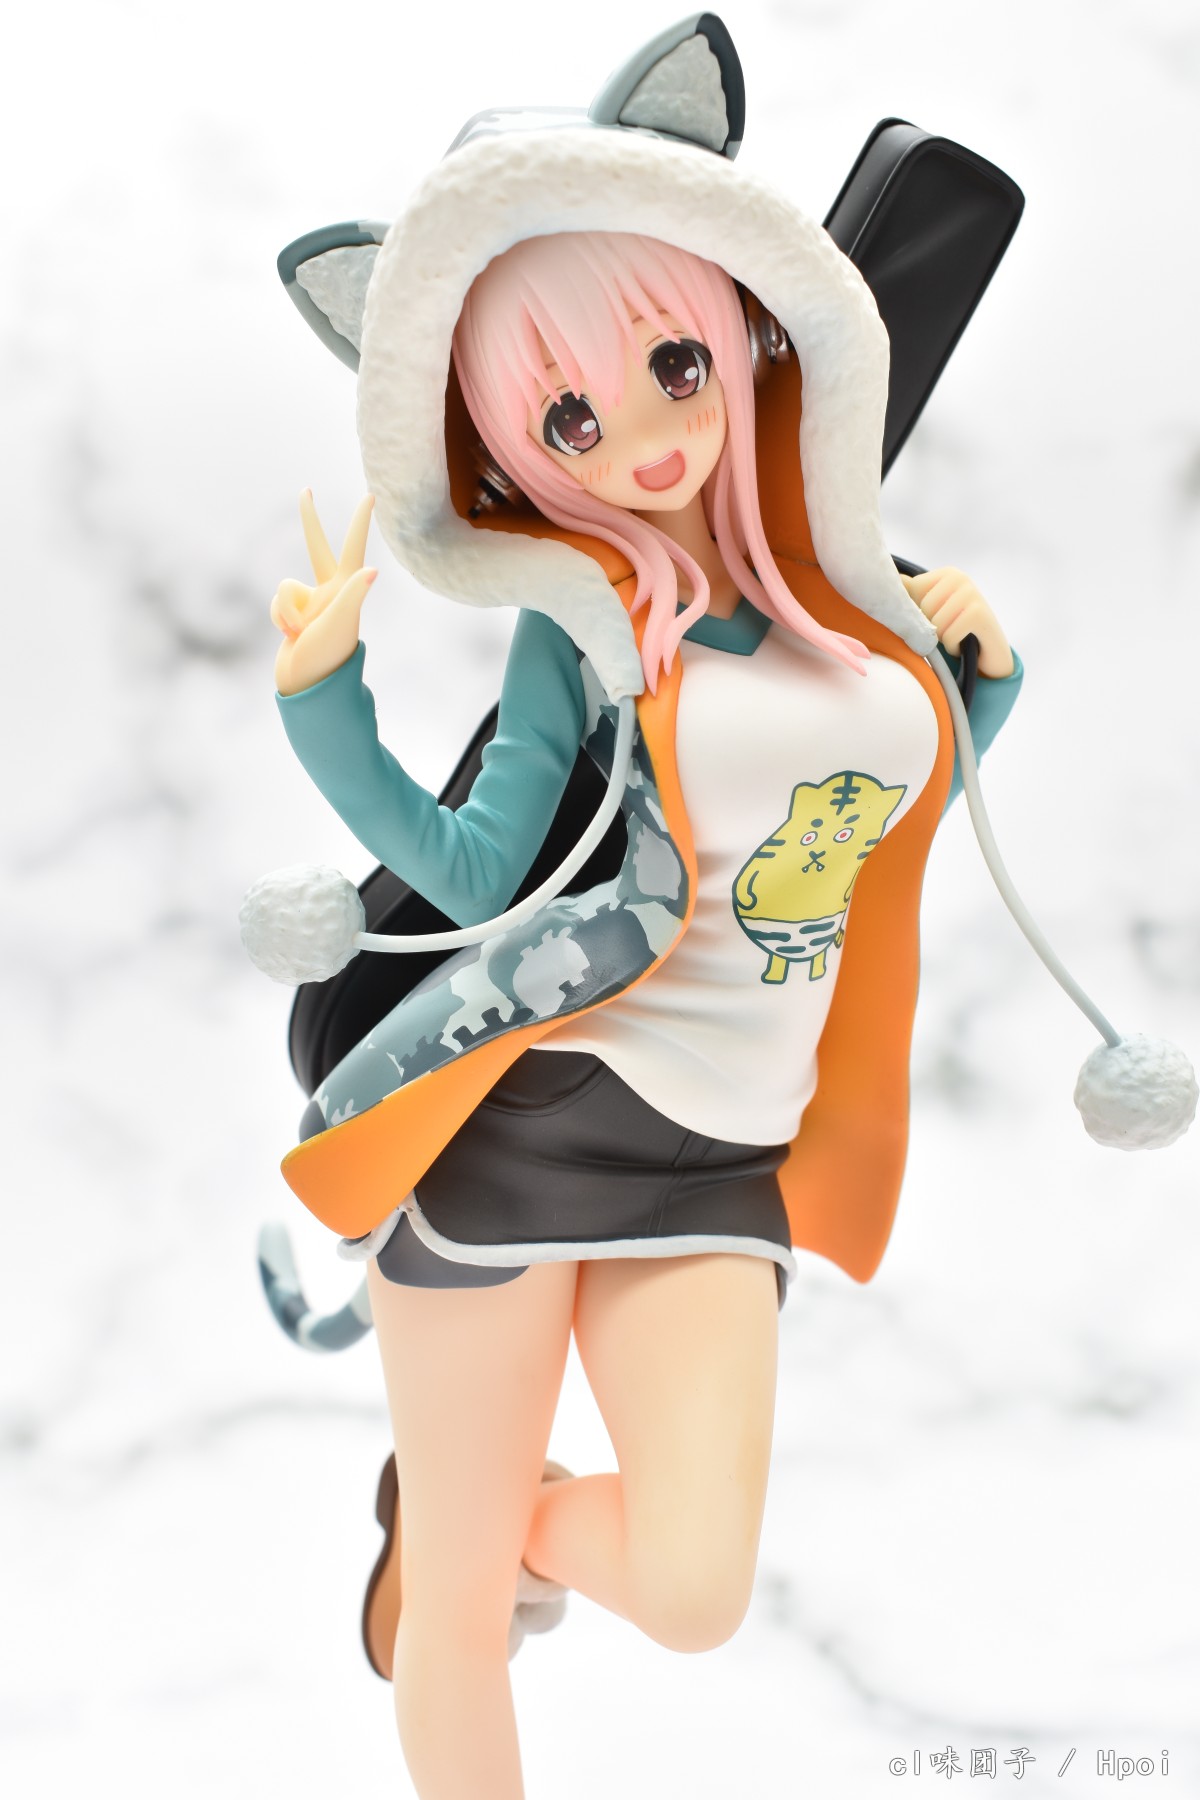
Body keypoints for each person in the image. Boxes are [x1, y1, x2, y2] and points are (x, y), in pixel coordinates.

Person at [265, 21, 1022, 1799]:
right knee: (456, 1620)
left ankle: (479, 1519)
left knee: (691, 1590)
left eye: (673, 364)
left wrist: (973, 680)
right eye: (568, 420)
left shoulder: (855, 596)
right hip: (531, 1130)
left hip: (725, 1157)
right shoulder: (585, 628)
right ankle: (463, 1542)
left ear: (738, 333)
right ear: (505, 452)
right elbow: (476, 872)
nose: (644, 440)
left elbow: (864, 826)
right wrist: (325, 708)